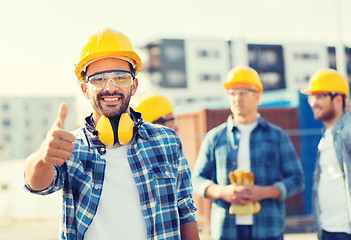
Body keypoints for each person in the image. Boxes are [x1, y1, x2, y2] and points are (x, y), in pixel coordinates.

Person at [24, 28, 199, 240]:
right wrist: (43, 156)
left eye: (120, 77)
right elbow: (37, 185)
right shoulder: (71, 146)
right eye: (98, 79)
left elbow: (185, 210)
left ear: (134, 85)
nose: (111, 87)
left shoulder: (167, 141)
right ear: (84, 89)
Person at [192, 66, 305, 240]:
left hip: (268, 229)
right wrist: (222, 192)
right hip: (226, 230)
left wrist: (266, 191)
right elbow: (197, 179)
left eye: (243, 93)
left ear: (258, 95)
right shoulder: (214, 137)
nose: (237, 99)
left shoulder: (277, 136)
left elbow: (297, 179)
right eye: (232, 93)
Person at [301, 68, 351, 240]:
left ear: (338, 99)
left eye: (320, 96)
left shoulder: (349, 130)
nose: (313, 102)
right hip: (327, 229)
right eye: (312, 97)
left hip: (347, 232)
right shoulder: (327, 135)